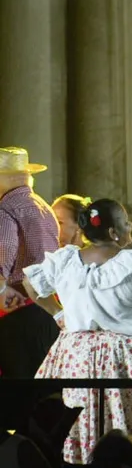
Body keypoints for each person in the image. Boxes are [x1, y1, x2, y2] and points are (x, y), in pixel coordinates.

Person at [22, 199, 132, 468]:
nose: (130, 226)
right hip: (123, 356)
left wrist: (58, 313)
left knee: (77, 414)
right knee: (130, 419)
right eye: (125, 222)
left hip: (75, 355)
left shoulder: (67, 261)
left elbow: (30, 283)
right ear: (113, 232)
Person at [0, 147, 60, 380]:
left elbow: (4, 251)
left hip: (17, 312)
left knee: (18, 390)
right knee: (42, 388)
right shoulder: (44, 208)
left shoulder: (5, 210)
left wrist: (2, 292)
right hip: (47, 309)